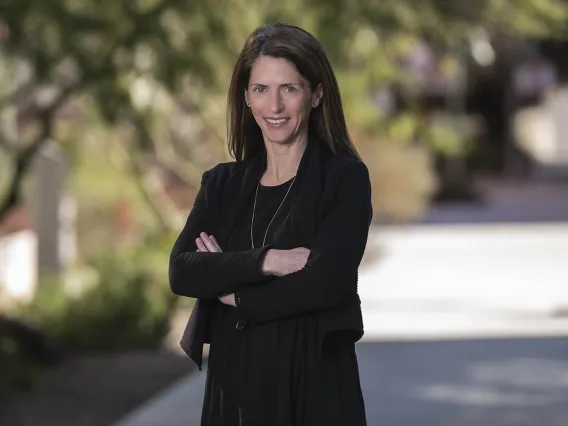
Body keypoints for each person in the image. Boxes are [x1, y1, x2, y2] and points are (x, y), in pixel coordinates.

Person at [169, 22, 372, 426]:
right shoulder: (223, 185)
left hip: (313, 385)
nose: (274, 107)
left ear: (316, 94)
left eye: (289, 89)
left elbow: (326, 282)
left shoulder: (344, 179)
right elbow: (182, 271)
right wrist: (269, 262)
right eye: (261, 89)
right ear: (246, 97)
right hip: (234, 387)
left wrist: (234, 293)